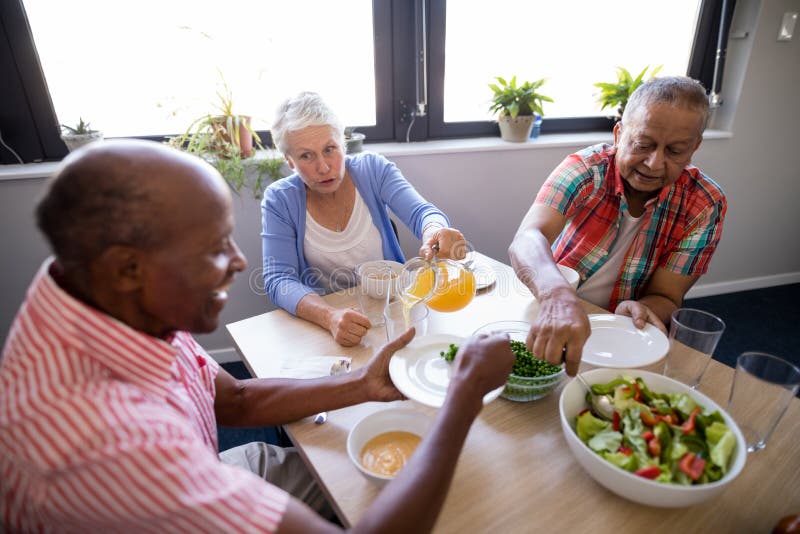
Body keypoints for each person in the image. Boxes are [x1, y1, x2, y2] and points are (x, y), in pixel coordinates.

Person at [0, 140, 514, 533]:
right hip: (178, 477)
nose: (239, 262)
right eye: (214, 247)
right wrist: (462, 400)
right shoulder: (108, 447)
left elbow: (237, 402)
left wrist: (364, 384)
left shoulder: (98, 299)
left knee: (362, 484)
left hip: (208, 457)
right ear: (127, 267)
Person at [509, 76, 727, 376]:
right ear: (619, 133)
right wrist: (557, 295)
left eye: (675, 151)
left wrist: (644, 309)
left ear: (694, 147)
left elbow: (666, 296)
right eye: (642, 144)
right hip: (549, 305)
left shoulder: (705, 204)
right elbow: (527, 238)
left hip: (621, 332)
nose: (654, 163)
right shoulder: (586, 168)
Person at [262, 92, 467, 346]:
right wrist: (329, 317)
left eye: (329, 149)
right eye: (306, 156)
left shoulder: (373, 169)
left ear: (343, 143)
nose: (324, 167)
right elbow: (279, 279)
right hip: (326, 322)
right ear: (290, 162)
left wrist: (435, 230)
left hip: (392, 311)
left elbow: (422, 213)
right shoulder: (279, 200)